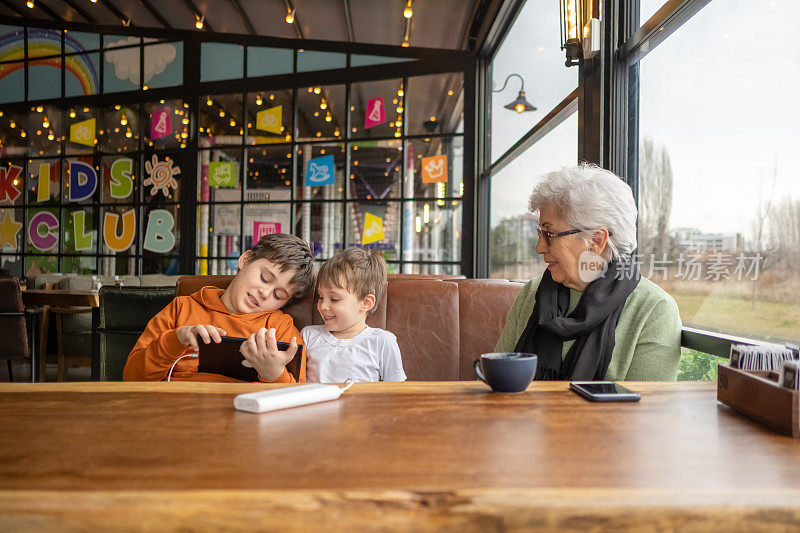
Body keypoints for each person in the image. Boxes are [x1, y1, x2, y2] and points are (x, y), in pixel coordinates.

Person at [495, 164, 682, 381]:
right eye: (540, 232)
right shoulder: (533, 293)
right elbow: (498, 384)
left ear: (596, 240)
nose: (539, 247)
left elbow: (645, 412)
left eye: (550, 234)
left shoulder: (654, 311)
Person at [123, 233, 315, 382]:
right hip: (173, 413)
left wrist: (273, 374)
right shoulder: (182, 308)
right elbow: (131, 378)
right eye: (264, 278)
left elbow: (297, 401)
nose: (265, 293)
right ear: (245, 260)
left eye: (278, 295)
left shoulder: (280, 329)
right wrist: (176, 340)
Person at [302, 247, 406, 383]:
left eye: (334, 299)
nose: (323, 306)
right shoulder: (309, 336)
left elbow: (397, 392)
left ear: (366, 303)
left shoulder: (382, 342)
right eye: (321, 297)